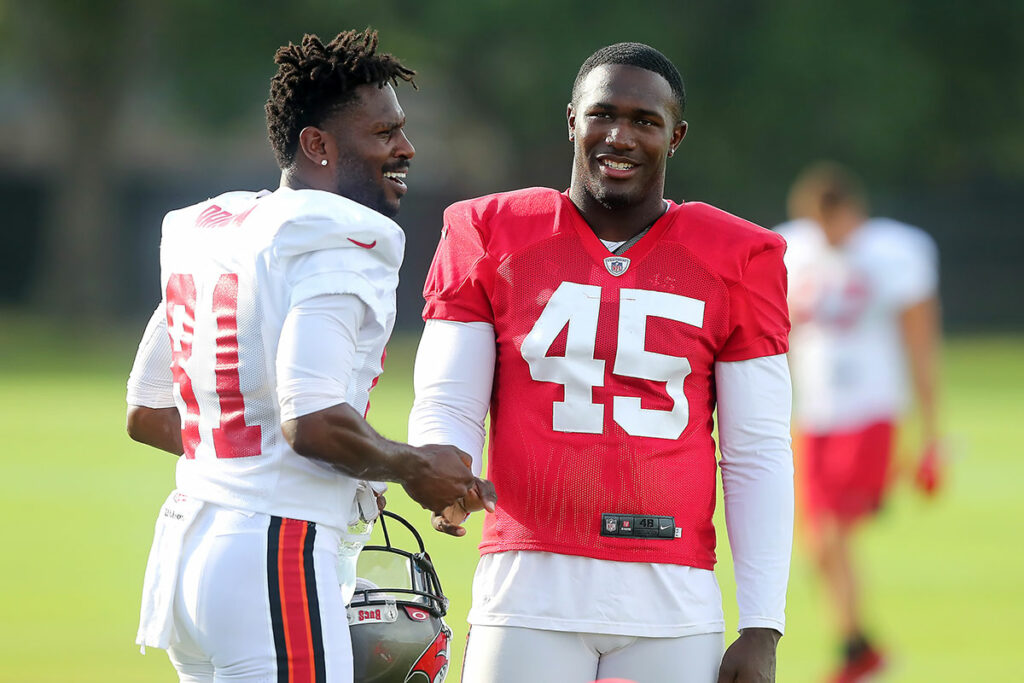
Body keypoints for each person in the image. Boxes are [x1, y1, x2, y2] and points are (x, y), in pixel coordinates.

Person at [408, 42, 794, 683]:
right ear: (572, 122)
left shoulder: (738, 255)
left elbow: (756, 450)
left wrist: (762, 625)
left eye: (645, 120)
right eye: (603, 114)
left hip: (673, 595)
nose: (620, 135)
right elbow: (449, 399)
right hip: (528, 583)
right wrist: (446, 466)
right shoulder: (489, 232)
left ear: (676, 137)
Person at [125, 29, 481, 682]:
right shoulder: (340, 238)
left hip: (188, 552)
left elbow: (147, 412)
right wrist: (412, 467)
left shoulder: (219, 229)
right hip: (275, 551)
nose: (406, 148)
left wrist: (250, 465)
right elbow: (311, 420)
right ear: (317, 144)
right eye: (383, 133)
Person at [775, 162, 942, 682]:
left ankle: (856, 652)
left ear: (854, 212)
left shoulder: (893, 252)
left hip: (870, 413)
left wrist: (930, 435)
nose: (828, 235)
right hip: (814, 416)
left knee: (830, 537)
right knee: (813, 544)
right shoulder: (793, 250)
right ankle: (860, 647)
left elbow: (920, 344)